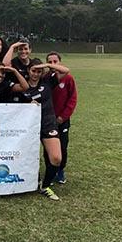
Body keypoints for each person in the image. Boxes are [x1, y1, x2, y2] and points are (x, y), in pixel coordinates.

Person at [22, 58, 70, 200]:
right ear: (28, 71)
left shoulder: (48, 81)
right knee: (26, 157)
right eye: (33, 71)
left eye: (38, 71)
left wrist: (48, 65)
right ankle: (28, 182)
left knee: (56, 158)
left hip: (48, 123)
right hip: (28, 126)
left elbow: (66, 71)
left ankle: (45, 186)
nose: (36, 74)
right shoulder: (22, 86)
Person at [46, 51, 78, 184]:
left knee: (63, 147)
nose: (53, 64)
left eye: (55, 61)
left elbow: (72, 99)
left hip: (62, 120)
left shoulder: (68, 78)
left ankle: (60, 170)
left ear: (60, 62)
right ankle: (50, 171)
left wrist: (63, 117)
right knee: (49, 146)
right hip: (48, 120)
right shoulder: (46, 78)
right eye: (50, 62)